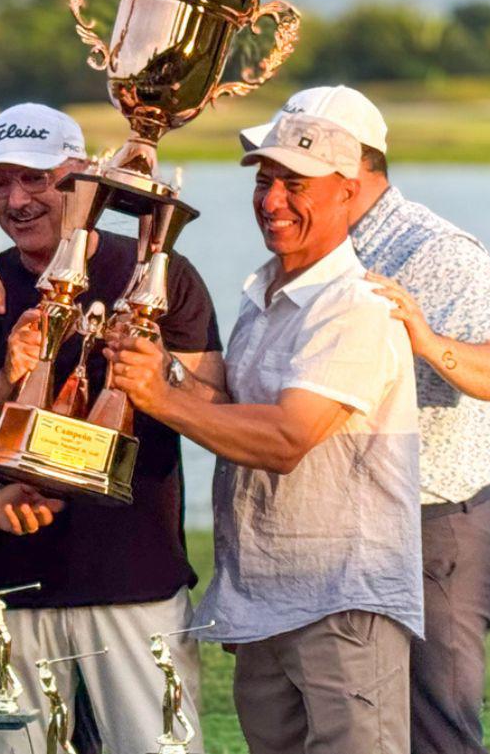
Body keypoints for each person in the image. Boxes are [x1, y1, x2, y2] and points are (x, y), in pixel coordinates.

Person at [108, 113, 423, 754]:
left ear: (348, 191)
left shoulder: (354, 306)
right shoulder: (266, 294)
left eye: (295, 184)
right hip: (264, 603)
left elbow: (285, 439)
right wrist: (161, 364)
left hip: (341, 606)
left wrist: (158, 397)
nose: (272, 200)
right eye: (264, 181)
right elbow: (233, 407)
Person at [0, 103, 224, 754]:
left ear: (83, 176)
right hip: (6, 590)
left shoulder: (161, 272)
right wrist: (7, 378)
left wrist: (156, 375)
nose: (16, 200)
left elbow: (215, 409)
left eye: (36, 179)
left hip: (135, 584)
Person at [243, 86, 490, 754]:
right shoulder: (297, 252)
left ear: (351, 170)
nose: (274, 194)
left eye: (294, 169)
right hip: (342, 533)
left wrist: (426, 341)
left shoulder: (436, 250)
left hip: (433, 526)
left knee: (436, 734)